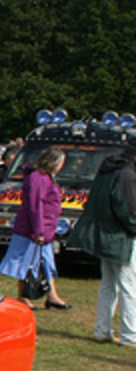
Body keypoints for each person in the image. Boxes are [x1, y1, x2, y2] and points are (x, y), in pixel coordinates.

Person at [71, 143, 136, 346]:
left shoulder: (108, 169)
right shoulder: (126, 174)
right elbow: (127, 208)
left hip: (105, 233)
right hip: (119, 235)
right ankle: (130, 335)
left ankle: (102, 330)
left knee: (108, 285)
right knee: (129, 286)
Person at [0, 146, 70, 309]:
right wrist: (38, 231)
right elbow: (35, 205)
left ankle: (52, 296)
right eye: (61, 163)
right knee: (26, 262)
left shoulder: (47, 177)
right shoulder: (37, 177)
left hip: (46, 229)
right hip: (32, 230)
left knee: (47, 263)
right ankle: (23, 295)